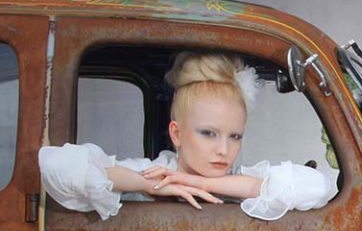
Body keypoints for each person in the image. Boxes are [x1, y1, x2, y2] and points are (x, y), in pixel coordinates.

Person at [40, 51, 338, 221]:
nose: (224, 150)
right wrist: (151, 184)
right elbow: (54, 166)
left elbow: (319, 187)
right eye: (208, 133)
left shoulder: (243, 181)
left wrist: (206, 183)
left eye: (235, 136)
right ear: (177, 133)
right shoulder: (150, 173)